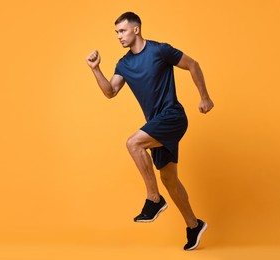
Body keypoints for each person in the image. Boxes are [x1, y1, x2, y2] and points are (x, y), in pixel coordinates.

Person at [86, 12, 214, 250]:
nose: (119, 36)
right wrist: (95, 69)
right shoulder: (124, 64)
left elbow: (192, 64)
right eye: (116, 33)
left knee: (133, 143)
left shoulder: (160, 50)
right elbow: (110, 91)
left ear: (136, 29)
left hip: (173, 116)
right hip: (156, 125)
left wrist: (204, 97)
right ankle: (194, 225)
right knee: (170, 180)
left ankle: (154, 199)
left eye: (122, 31)